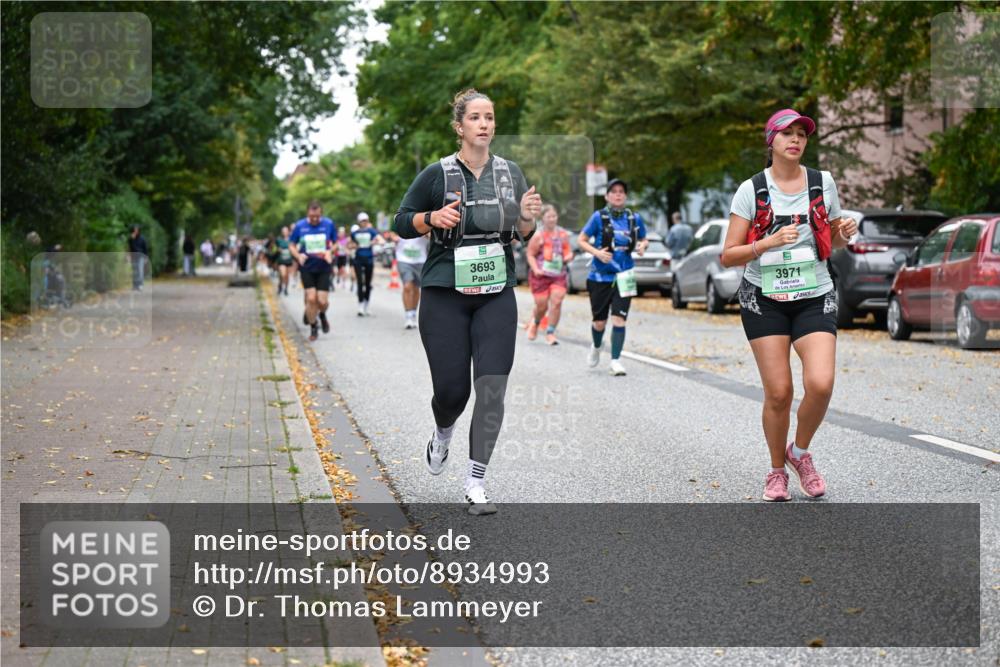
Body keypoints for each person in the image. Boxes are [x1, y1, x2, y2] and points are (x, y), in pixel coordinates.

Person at [393, 89, 541, 515]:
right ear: (460, 126)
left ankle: (476, 481)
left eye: (490, 117)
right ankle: (442, 433)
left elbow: (521, 233)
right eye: (475, 117)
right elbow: (400, 221)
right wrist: (430, 218)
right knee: (452, 392)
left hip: (496, 292)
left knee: (492, 387)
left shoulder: (510, 172)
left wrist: (527, 215)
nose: (484, 124)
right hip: (445, 293)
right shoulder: (436, 175)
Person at [720, 108, 858, 502]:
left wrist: (845, 231)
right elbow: (729, 255)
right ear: (771, 141)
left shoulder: (822, 183)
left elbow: (833, 238)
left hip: (814, 291)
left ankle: (799, 452)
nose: (796, 140)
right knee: (779, 392)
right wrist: (767, 243)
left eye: (802, 134)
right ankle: (776, 471)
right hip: (764, 297)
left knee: (821, 383)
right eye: (787, 134)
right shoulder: (752, 190)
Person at [577, 178, 649, 376]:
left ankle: (616, 360)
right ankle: (597, 345)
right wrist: (597, 253)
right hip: (600, 277)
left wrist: (643, 245)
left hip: (625, 275)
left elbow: (644, 237)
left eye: (621, 191)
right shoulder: (598, 217)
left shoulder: (634, 218)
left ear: (625, 196)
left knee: (620, 320)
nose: (618, 194)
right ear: (607, 196)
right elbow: (581, 240)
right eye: (614, 191)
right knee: (599, 322)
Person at [525, 204, 573, 345]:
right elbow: (530, 255)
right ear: (543, 218)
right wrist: (535, 269)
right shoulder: (538, 235)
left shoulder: (563, 235)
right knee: (542, 306)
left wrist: (568, 256)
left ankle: (550, 332)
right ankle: (536, 322)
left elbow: (567, 251)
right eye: (549, 216)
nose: (552, 219)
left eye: (554, 216)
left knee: (557, 302)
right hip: (540, 276)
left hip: (558, 275)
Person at [289, 201, 336, 342]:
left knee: (322, 302)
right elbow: (291, 245)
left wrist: (330, 251)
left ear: (321, 213)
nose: (315, 219)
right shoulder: (300, 226)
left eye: (317, 216)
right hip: (307, 267)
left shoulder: (328, 224)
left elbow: (336, 243)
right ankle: (314, 327)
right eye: (312, 216)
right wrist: (297, 255)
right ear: (307, 213)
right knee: (311, 298)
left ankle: (322, 314)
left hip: (323, 267)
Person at [391, 229, 430, 329]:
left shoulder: (425, 220)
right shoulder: (403, 219)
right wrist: (393, 237)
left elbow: (431, 236)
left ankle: (413, 313)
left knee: (416, 288)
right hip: (403, 260)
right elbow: (392, 233)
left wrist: (426, 234)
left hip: (420, 260)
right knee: (407, 286)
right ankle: (408, 315)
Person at [349, 213, 385, 316]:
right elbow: (349, 245)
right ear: (359, 222)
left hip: (369, 259)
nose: (364, 222)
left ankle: (366, 304)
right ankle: (360, 305)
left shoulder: (371, 231)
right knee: (360, 283)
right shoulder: (354, 233)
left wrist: (376, 242)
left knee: (368, 284)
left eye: (366, 220)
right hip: (358, 260)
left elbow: (381, 241)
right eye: (362, 221)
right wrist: (353, 246)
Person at [127, 225, 149, 291]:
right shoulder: (131, 238)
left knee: (140, 270)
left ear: (139, 231)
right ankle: (135, 285)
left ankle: (140, 285)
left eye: (137, 230)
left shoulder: (142, 239)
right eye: (134, 230)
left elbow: (145, 249)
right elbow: (130, 247)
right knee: (134, 271)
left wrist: (146, 257)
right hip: (133, 256)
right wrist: (131, 239)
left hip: (141, 257)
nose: (135, 231)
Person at [275, 225, 294, 295]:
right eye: (283, 231)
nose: (285, 233)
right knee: (282, 274)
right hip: (281, 260)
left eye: (286, 231)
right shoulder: (279, 240)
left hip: (289, 260)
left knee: (287, 275)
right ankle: (280, 285)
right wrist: (278, 250)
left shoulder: (291, 239)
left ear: (288, 232)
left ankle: (286, 288)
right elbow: (275, 248)